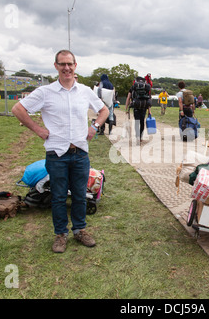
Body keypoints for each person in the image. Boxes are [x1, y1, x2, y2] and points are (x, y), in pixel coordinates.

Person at [11, 50, 109, 253]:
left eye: (70, 64)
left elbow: (104, 110)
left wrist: (95, 127)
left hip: (80, 153)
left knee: (80, 195)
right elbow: (17, 109)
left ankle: (80, 230)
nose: (67, 68)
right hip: (57, 154)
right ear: (56, 66)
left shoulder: (84, 91)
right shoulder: (45, 92)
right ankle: (60, 234)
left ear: (75, 65)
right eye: (62, 64)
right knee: (57, 196)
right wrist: (38, 130)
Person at [126, 76, 152, 144]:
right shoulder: (146, 88)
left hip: (136, 107)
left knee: (137, 122)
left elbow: (128, 98)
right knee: (142, 122)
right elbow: (148, 100)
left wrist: (126, 108)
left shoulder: (133, 87)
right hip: (144, 107)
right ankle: (140, 137)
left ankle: (137, 136)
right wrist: (149, 111)